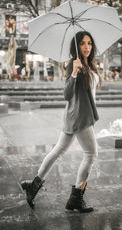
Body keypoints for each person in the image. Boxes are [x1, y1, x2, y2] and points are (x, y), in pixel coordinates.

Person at [21, 31, 101, 212]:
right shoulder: (73, 65)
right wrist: (74, 72)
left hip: (80, 115)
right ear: (76, 46)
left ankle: (33, 186)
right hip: (78, 116)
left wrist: (93, 116)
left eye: (89, 43)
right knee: (91, 155)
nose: (87, 47)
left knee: (58, 150)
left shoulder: (90, 65)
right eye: (82, 43)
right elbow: (67, 94)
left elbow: (92, 96)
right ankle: (76, 198)